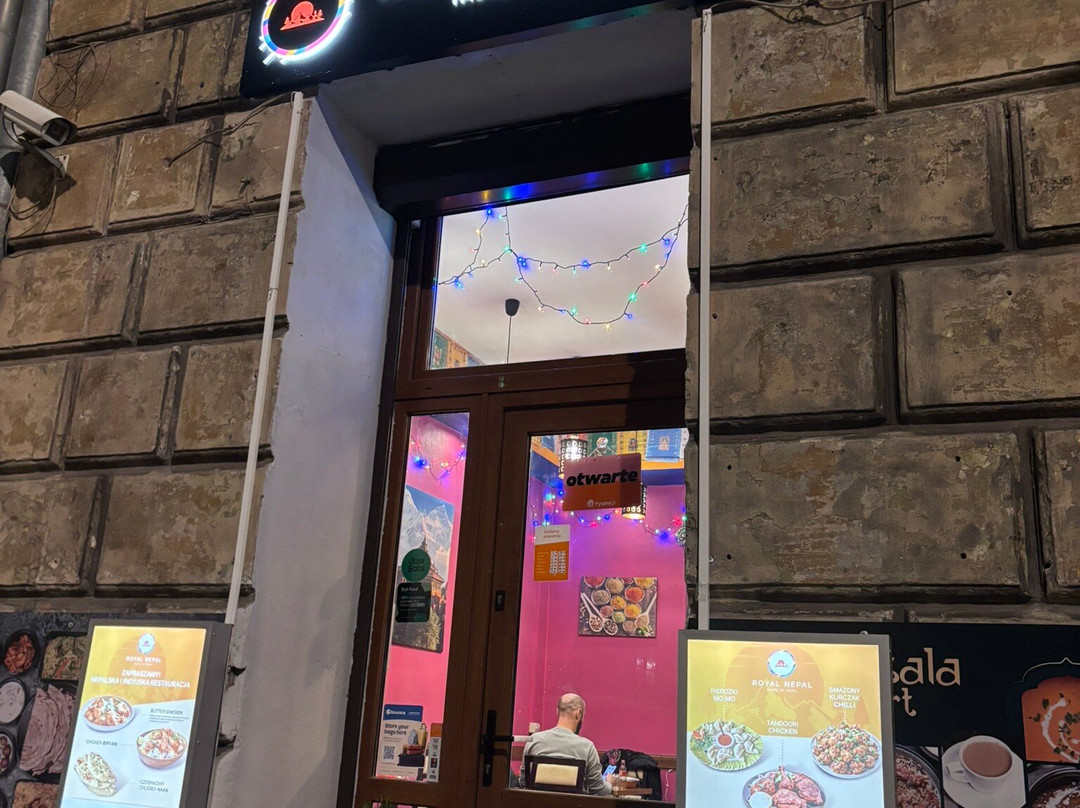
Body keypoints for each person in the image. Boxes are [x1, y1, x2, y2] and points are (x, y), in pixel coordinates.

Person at [520, 693, 615, 796]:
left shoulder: (533, 741)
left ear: (557, 711)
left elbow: (523, 783)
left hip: (536, 803)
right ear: (578, 714)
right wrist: (609, 783)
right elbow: (599, 791)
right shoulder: (587, 747)